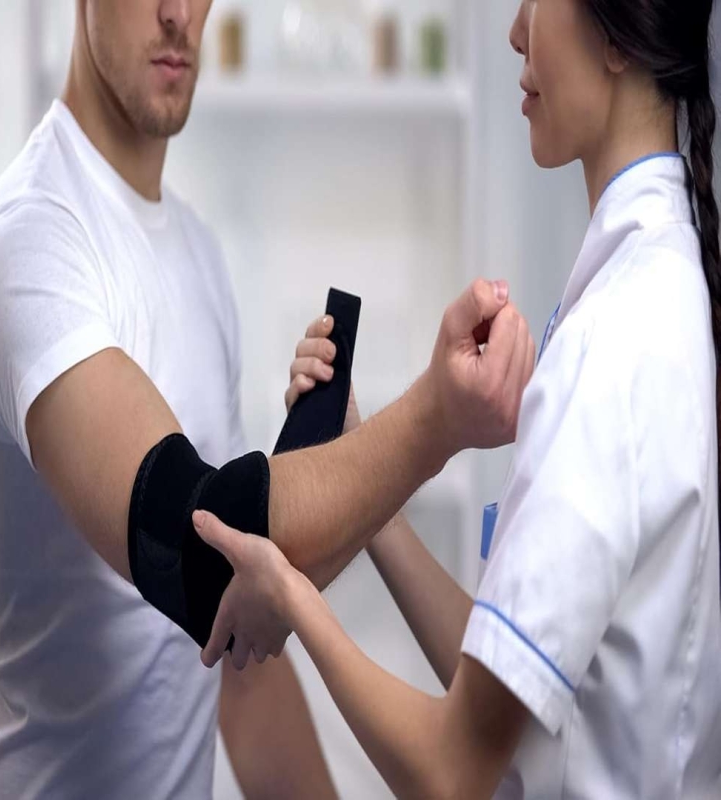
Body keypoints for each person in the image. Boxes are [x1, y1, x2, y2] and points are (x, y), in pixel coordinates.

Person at [194, 0, 721, 796]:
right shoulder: (660, 288)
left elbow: (455, 773)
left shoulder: (614, 340)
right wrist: (362, 472)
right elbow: (505, 702)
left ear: (618, 39)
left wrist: (290, 595)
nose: (516, 31)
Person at [0, 1, 339, 797]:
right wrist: (438, 423)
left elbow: (239, 655)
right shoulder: (33, 239)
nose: (178, 14)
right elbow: (194, 560)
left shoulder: (199, 257)